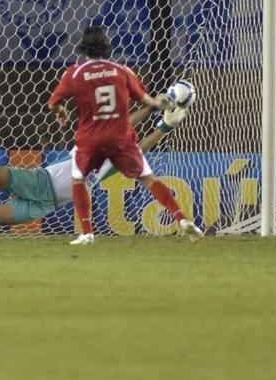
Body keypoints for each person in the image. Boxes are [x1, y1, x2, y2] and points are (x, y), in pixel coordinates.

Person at [0, 104, 186, 229]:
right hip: (39, 181)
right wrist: (151, 108)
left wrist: (165, 126)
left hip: (44, 205)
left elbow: (140, 150)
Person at [48, 25, 200, 245]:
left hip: (90, 139)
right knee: (148, 179)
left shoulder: (75, 73)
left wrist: (60, 112)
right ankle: (183, 219)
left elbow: (53, 102)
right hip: (120, 137)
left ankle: (87, 233)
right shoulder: (122, 71)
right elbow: (148, 101)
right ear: (108, 48)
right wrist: (163, 102)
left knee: (78, 179)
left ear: (83, 50)